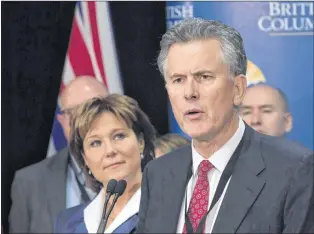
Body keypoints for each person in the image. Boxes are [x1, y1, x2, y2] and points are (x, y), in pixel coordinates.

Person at [137, 18, 314, 233]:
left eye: (204, 77)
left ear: (238, 89)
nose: (189, 92)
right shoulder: (158, 174)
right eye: (178, 80)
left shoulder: (294, 169)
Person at [9, 76, 109, 233]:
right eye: (74, 112)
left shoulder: (143, 172)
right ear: (61, 120)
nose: (85, 120)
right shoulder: (29, 182)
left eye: (94, 108)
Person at [54, 94, 156, 233]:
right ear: (84, 158)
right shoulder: (67, 223)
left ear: (140, 142)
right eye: (95, 143)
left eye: (119, 136)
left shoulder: (169, 206)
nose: (110, 150)